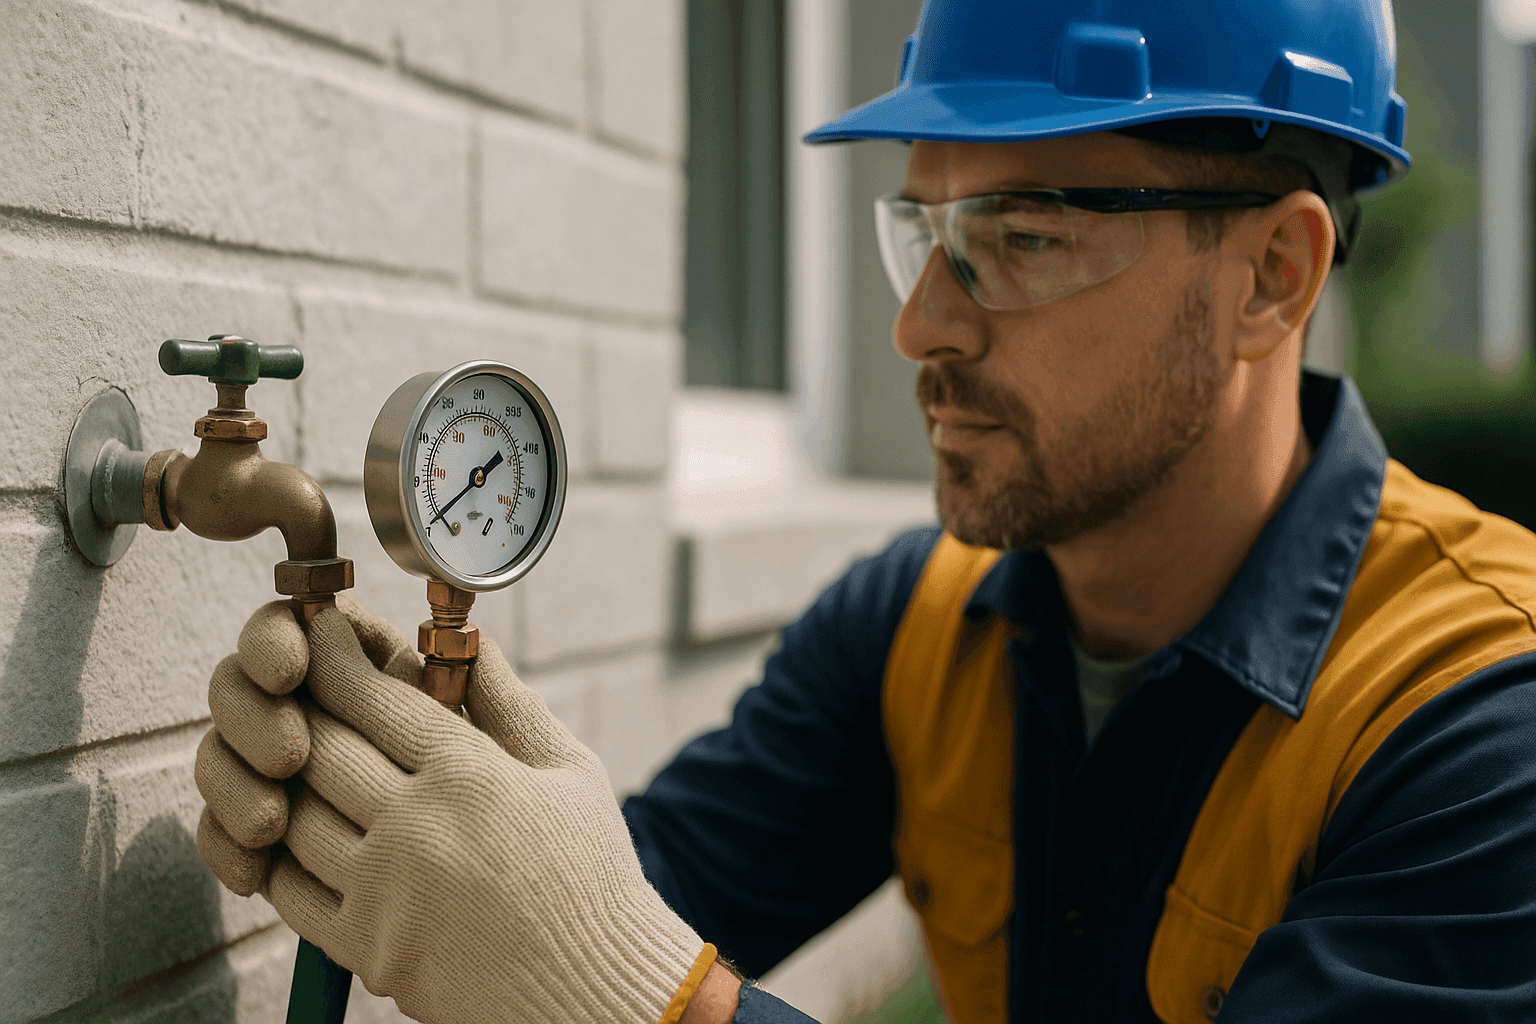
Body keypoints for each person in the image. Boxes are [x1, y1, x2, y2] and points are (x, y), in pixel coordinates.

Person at [195, 1, 1536, 1021]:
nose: (920, 326)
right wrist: (422, 800)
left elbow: (610, 957)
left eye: (1022, 239)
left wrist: (637, 995)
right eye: (924, 234)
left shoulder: (1482, 731)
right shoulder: (918, 626)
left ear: (1273, 276)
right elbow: (630, 891)